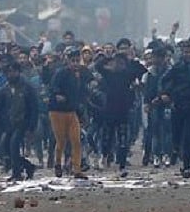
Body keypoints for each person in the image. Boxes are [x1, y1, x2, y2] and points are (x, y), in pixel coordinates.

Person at [95, 44, 147, 175]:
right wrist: (108, 57)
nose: (118, 64)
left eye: (121, 62)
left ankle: (122, 163)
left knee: (123, 139)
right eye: (116, 61)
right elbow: (98, 66)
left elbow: (142, 70)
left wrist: (131, 59)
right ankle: (105, 157)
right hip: (109, 109)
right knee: (107, 137)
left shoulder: (127, 74)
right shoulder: (109, 73)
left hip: (124, 110)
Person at [161, 41, 190, 178]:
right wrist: (165, 94)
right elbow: (164, 80)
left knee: (189, 136)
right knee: (176, 134)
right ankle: (175, 149)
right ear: (182, 53)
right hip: (178, 105)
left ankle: (186, 165)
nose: (188, 55)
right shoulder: (177, 67)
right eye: (186, 52)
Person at [48, 47, 87, 179]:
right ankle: (58, 164)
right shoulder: (61, 73)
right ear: (68, 61)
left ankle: (77, 169)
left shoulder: (81, 74)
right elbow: (53, 86)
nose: (75, 64)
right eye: (73, 61)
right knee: (61, 141)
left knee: (76, 140)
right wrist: (58, 94)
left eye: (77, 61)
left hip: (72, 111)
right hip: (57, 111)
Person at [0, 61, 38, 181]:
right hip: (10, 123)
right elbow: (1, 107)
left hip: (23, 122)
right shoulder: (4, 88)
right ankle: (28, 166)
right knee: (5, 146)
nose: (11, 74)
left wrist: (31, 127)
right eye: (8, 72)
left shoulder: (27, 87)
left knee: (14, 145)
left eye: (13, 71)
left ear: (18, 72)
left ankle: (17, 173)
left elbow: (34, 108)